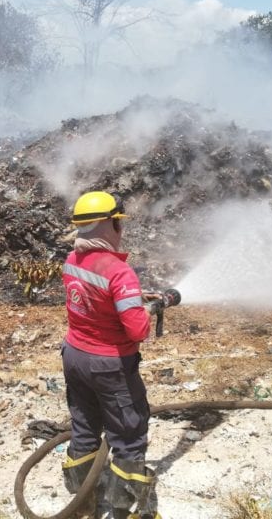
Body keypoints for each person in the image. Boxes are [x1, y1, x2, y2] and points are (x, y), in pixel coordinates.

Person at [60, 191, 161, 519]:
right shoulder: (120, 273)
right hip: (110, 365)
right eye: (118, 222)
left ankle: (84, 504)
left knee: (85, 428)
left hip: (75, 356)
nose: (121, 228)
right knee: (129, 436)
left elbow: (93, 301)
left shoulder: (71, 261)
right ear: (108, 225)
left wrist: (132, 298)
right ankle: (125, 510)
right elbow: (137, 331)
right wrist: (141, 308)